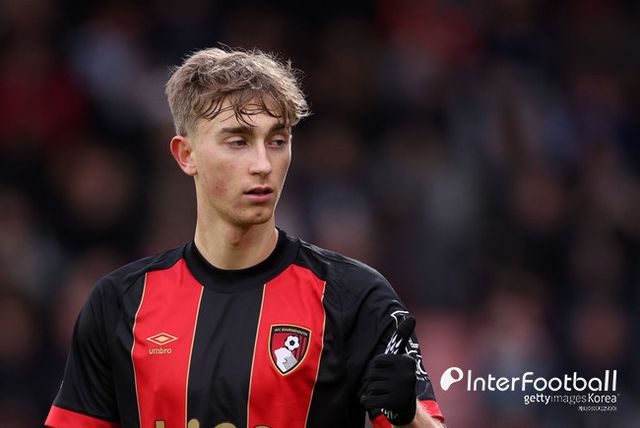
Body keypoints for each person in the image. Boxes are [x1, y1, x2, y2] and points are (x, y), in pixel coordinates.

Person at [45, 48, 445, 428]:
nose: (263, 164)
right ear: (186, 155)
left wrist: (406, 414)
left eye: (277, 141)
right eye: (238, 141)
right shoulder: (120, 303)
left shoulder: (355, 298)